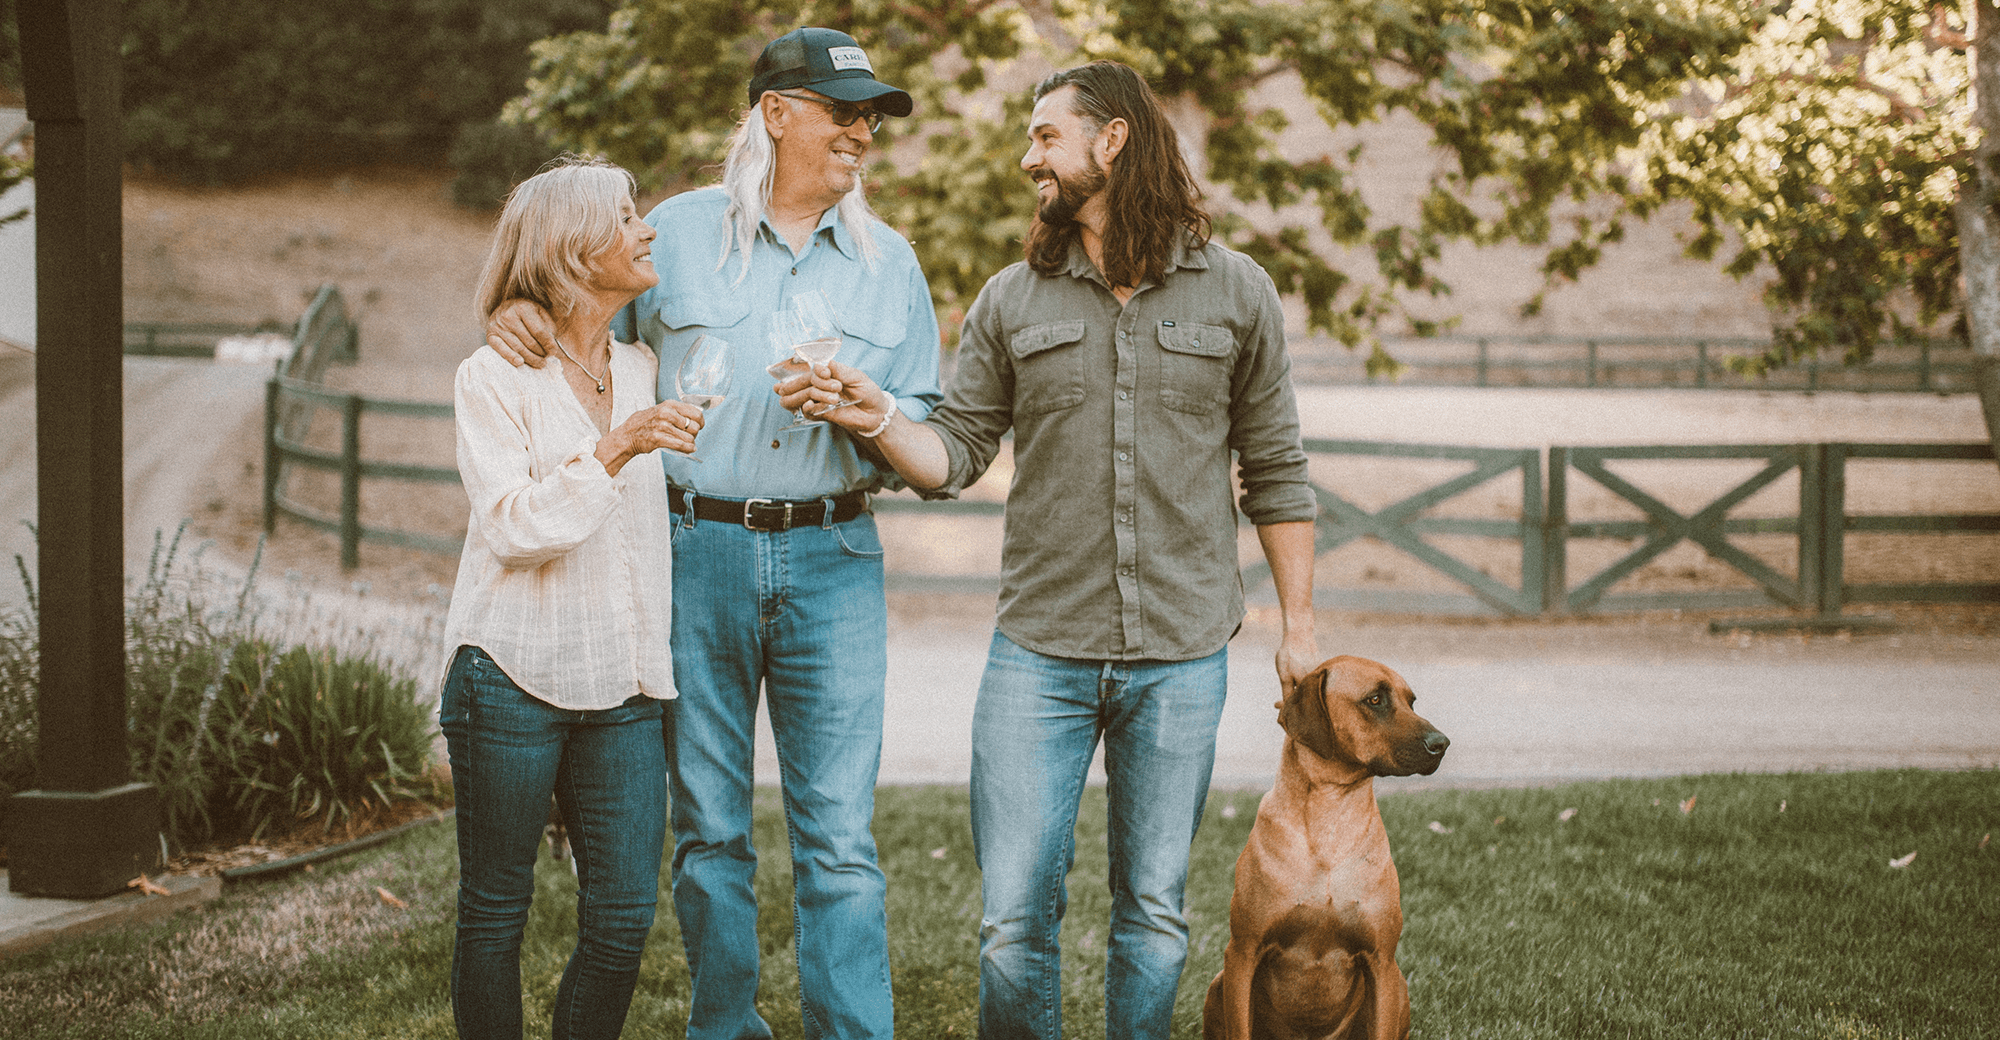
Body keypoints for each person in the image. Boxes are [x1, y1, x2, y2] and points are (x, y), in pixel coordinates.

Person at [785, 61, 1322, 1040]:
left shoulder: (1237, 290)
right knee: (1009, 921)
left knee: (1152, 916)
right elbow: (948, 456)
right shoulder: (1009, 299)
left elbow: (1275, 467)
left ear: (1110, 141)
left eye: (1044, 135)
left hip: (1181, 650)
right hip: (1039, 653)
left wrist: (1299, 626)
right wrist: (872, 416)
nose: (1025, 155)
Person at [482, 28, 940, 1040]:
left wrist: (867, 411)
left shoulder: (888, 263)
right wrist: (513, 316)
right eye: (843, 112)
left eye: (872, 117)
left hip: (835, 556)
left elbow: (927, 425)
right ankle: (723, 1024)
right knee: (709, 829)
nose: (862, 133)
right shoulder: (674, 234)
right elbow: (576, 322)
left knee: (840, 838)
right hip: (693, 555)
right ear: (776, 112)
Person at [440, 154, 703, 1040]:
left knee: (625, 917)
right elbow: (514, 527)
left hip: (625, 687)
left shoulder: (641, 366)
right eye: (626, 217)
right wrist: (615, 449)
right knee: (495, 913)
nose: (647, 228)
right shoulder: (493, 377)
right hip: (509, 673)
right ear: (572, 246)